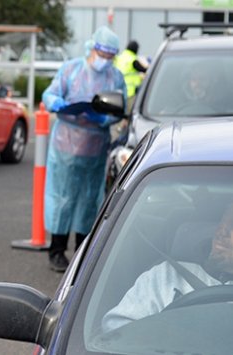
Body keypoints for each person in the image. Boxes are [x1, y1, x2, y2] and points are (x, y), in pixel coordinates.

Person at [42, 26, 126, 272]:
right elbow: (50, 94)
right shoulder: (71, 69)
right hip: (65, 143)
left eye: (110, 56)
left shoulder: (115, 77)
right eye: (102, 53)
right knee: (62, 197)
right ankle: (56, 250)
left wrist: (105, 119)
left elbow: (118, 109)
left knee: (89, 199)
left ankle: (82, 252)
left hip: (95, 145)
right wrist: (57, 103)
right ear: (92, 47)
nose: (104, 60)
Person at [102, 203, 233, 332]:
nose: (222, 232)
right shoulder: (165, 275)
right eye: (222, 222)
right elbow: (116, 329)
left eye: (232, 226)